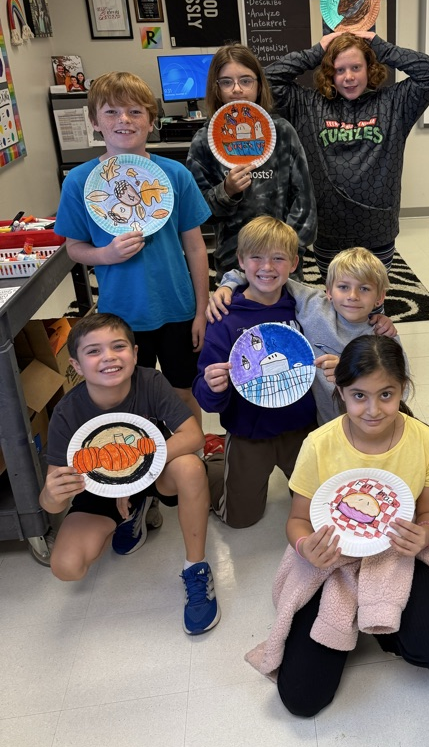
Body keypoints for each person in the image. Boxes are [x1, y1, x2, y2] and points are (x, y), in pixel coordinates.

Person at [245, 335, 429, 716]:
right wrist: (305, 548)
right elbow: (298, 521)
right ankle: (349, 621)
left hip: (394, 556)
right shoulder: (319, 444)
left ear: (403, 389)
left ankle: (382, 627)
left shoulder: (424, 440)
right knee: (301, 698)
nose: (373, 409)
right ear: (341, 392)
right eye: (359, 395)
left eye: (386, 394)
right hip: (331, 560)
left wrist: (427, 534)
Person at [40, 313, 220, 635]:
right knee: (67, 567)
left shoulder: (149, 381)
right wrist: (52, 496)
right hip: (100, 490)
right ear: (76, 366)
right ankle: (132, 514)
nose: (108, 357)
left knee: (191, 468)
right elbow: (52, 502)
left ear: (135, 353)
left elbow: (193, 436)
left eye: (118, 347)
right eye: (93, 351)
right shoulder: (67, 412)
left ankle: (196, 567)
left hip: (155, 471)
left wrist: (131, 471)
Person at [55, 71, 210, 426]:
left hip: (178, 308)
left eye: (136, 112)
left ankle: (191, 456)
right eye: (111, 112)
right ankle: (143, 464)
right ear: (95, 121)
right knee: (130, 396)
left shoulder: (175, 175)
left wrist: (201, 309)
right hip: (121, 314)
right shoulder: (79, 182)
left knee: (182, 390)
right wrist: (105, 255)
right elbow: (74, 248)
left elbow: (196, 247)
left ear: (151, 121)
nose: (124, 120)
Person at [265, 31, 429, 277]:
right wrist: (317, 52)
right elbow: (267, 79)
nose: (348, 77)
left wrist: (379, 46)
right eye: (339, 70)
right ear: (329, 73)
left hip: (377, 229)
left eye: (356, 67)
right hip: (328, 229)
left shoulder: (395, 104)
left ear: (369, 68)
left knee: (372, 301)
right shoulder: (306, 105)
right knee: (335, 303)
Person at [193, 217, 320, 528]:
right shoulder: (225, 317)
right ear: (240, 262)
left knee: (321, 509)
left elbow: (347, 317)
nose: (267, 267)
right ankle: (213, 463)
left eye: (278, 258)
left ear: (294, 263)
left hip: (302, 430)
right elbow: (204, 393)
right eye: (257, 258)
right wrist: (213, 386)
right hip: (249, 432)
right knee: (240, 520)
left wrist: (377, 321)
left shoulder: (306, 308)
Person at [208, 244, 400, 424]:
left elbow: (400, 389)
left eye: (364, 288)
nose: (353, 296)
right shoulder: (314, 305)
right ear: (328, 290)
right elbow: (268, 275)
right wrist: (228, 285)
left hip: (372, 424)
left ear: (380, 297)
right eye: (343, 287)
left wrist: (349, 374)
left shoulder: (382, 336)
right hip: (323, 427)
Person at [186, 42, 316, 279]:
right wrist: (226, 191)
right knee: (238, 314)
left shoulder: (282, 132)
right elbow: (199, 213)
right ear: (216, 88)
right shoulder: (204, 140)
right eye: (226, 82)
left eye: (246, 80)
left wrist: (289, 250)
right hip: (233, 260)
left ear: (258, 85)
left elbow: (304, 201)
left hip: (283, 260)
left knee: (284, 315)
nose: (237, 89)